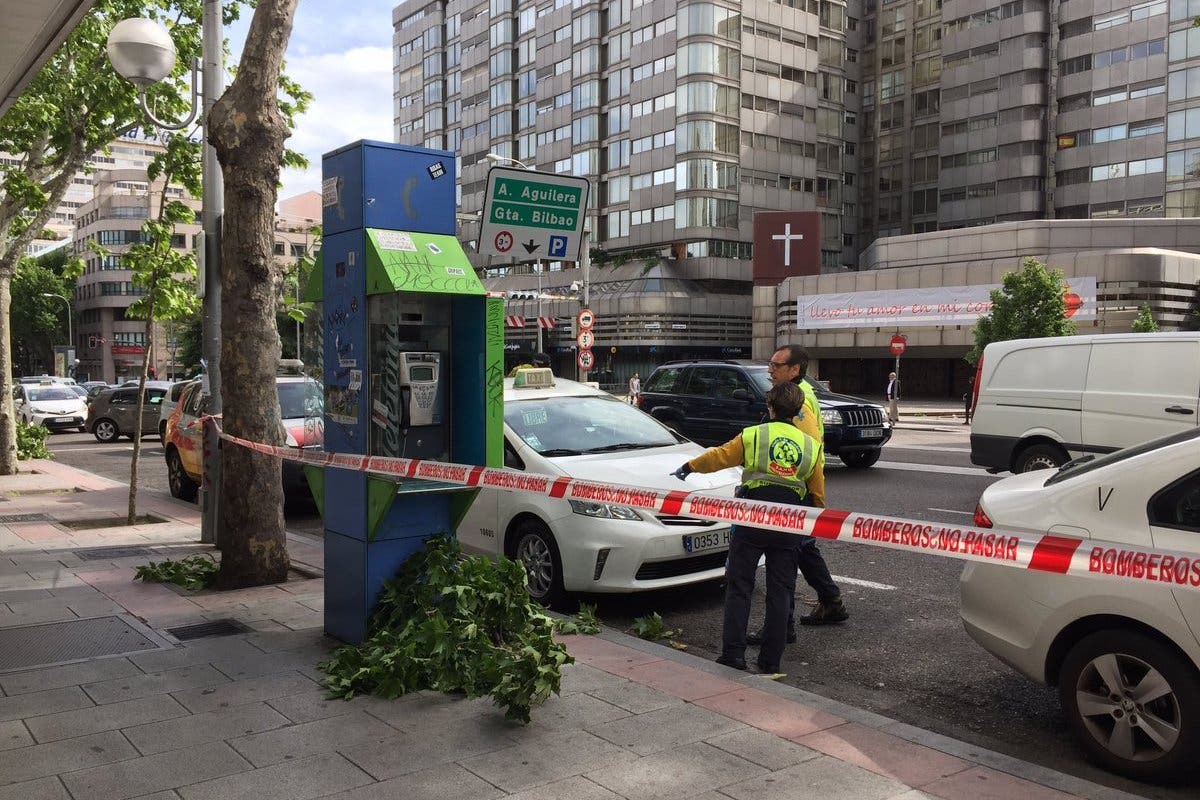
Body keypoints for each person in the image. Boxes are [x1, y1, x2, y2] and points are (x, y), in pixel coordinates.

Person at [672, 382, 823, 673]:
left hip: (752, 516)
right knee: (781, 591)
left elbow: (719, 456)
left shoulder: (755, 435)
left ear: (771, 407)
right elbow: (817, 494)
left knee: (740, 586)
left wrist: (690, 466)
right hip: (789, 520)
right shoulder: (810, 446)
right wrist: (808, 525)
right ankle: (769, 663)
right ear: (797, 412)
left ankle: (734, 655)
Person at [751, 345, 848, 640]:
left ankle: (781, 628)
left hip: (795, 488)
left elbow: (804, 445)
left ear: (794, 370)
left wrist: (804, 492)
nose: (770, 369)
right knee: (802, 547)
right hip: (800, 487)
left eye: (776, 365)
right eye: (770, 364)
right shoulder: (793, 391)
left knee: (785, 556)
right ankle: (830, 601)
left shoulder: (799, 400)